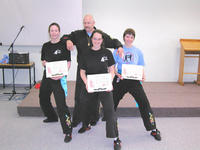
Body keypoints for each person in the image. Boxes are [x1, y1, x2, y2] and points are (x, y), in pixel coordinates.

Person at [62, 14, 123, 127]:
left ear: (94, 23)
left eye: (89, 23)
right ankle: (77, 119)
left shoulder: (101, 35)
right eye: (85, 23)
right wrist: (68, 41)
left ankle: (94, 118)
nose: (86, 25)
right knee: (80, 96)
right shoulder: (78, 34)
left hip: (98, 71)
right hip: (83, 70)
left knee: (95, 98)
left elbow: (113, 41)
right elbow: (66, 37)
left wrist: (119, 46)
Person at [112, 28, 161, 141]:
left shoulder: (138, 51)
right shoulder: (117, 50)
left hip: (134, 80)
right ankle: (113, 131)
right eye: (127, 36)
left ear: (134, 39)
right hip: (120, 78)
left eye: (131, 37)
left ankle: (153, 128)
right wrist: (116, 74)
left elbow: (140, 66)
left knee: (144, 102)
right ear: (124, 37)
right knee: (112, 103)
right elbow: (111, 66)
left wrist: (143, 75)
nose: (129, 38)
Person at [79, 29, 121, 150]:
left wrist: (110, 81)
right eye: (94, 38)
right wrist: (87, 83)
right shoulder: (85, 53)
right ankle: (86, 124)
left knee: (109, 109)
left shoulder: (107, 53)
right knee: (83, 102)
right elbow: (82, 72)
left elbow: (112, 70)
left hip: (104, 85)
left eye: (99, 39)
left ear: (102, 40)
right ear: (91, 40)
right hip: (90, 84)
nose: (97, 41)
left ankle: (115, 138)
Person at [39, 23, 72, 143]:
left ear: (59, 32)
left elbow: (68, 62)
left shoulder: (64, 45)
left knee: (61, 105)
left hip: (60, 78)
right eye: (52, 31)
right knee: (43, 97)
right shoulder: (45, 46)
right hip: (48, 76)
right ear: (49, 32)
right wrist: (45, 65)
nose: (54, 33)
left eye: (56, 30)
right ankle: (52, 117)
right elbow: (43, 61)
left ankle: (68, 130)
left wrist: (61, 75)